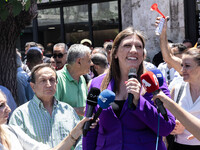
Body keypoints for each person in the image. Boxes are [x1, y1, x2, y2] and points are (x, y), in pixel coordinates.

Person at [83, 27, 175, 150]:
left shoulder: (154, 82)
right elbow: (89, 130)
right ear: (114, 53)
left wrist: (139, 102)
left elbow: (166, 127)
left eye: (139, 47)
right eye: (127, 46)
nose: (133, 50)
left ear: (143, 54)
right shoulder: (97, 83)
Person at [9, 63, 82, 149]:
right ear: (33, 86)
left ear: (56, 83)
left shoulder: (68, 110)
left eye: (52, 80)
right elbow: (14, 145)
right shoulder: (20, 115)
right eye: (43, 80)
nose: (48, 85)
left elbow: (80, 138)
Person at [0, 90, 97, 150]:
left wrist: (75, 132)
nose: (8, 109)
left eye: (52, 80)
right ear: (32, 86)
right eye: (1, 105)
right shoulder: (20, 113)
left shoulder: (11, 131)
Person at [158, 17, 200, 149]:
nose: (181, 70)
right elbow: (168, 57)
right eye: (181, 65)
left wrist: (191, 126)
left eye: (187, 66)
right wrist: (163, 33)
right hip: (177, 146)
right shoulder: (177, 89)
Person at [55, 44, 92, 117]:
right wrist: (77, 110)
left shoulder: (82, 79)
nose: (91, 64)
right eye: (89, 61)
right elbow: (51, 108)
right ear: (79, 61)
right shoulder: (57, 78)